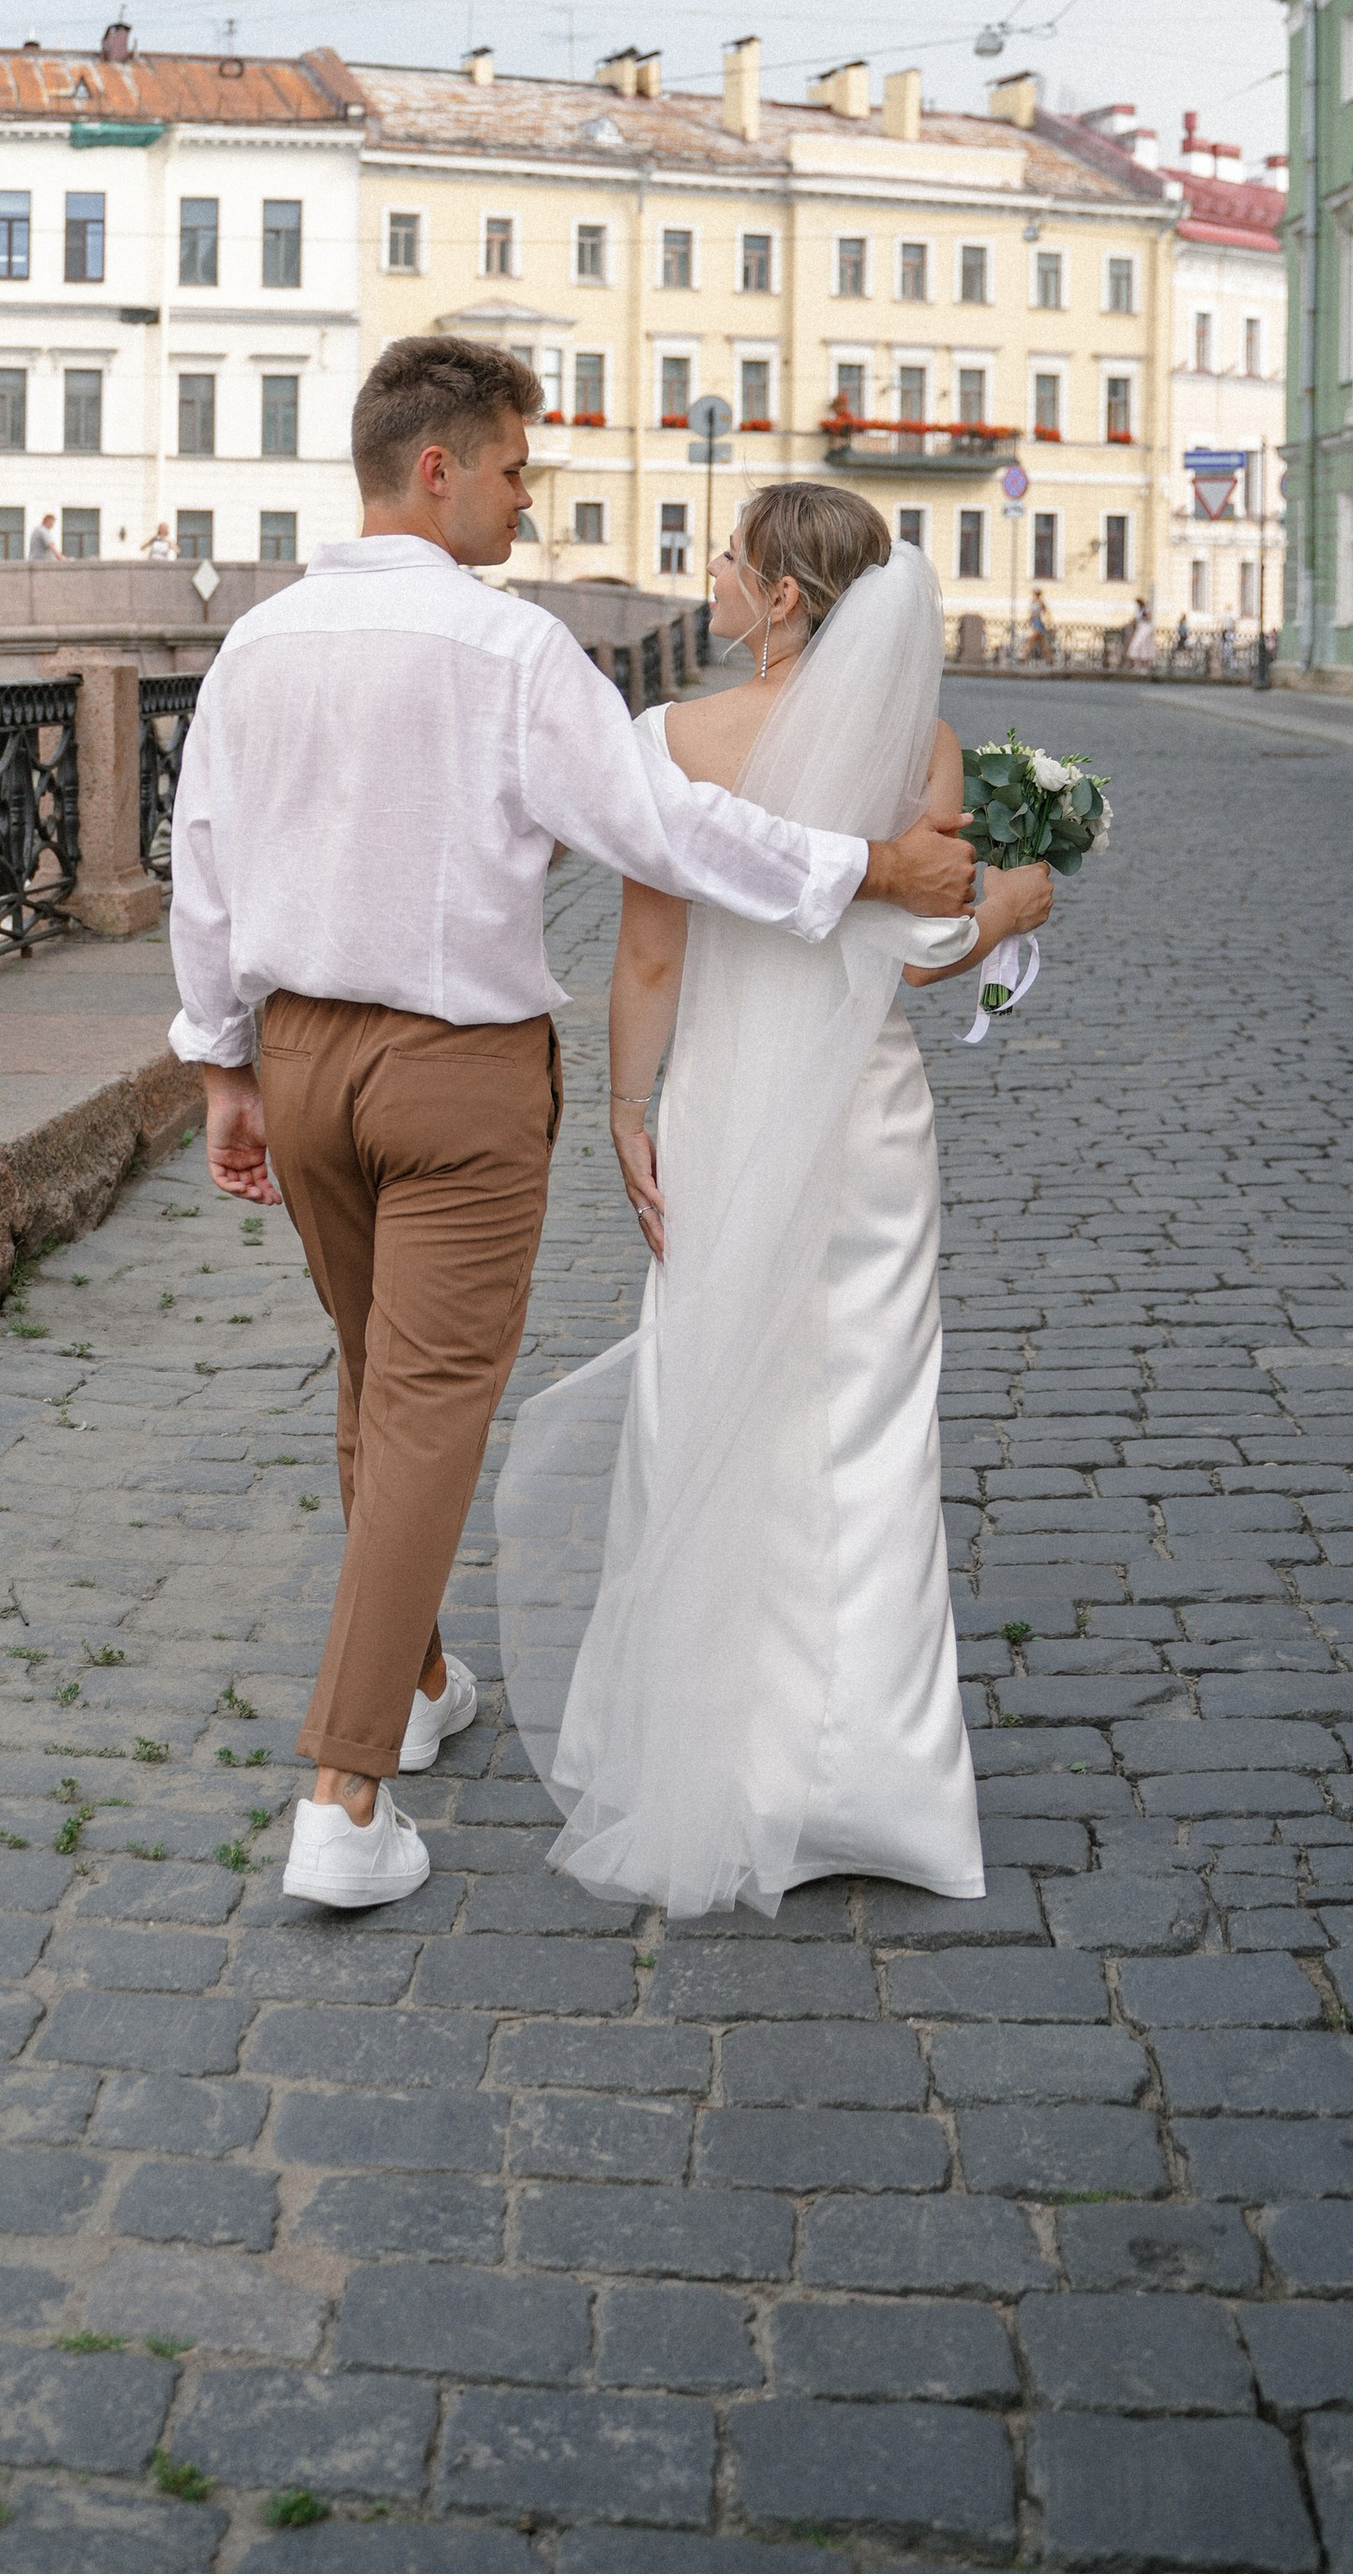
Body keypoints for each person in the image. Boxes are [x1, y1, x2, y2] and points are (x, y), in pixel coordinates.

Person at [168, 337, 980, 1913]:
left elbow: (204, 851)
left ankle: (410, 1692)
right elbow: (655, 825)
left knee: (371, 1379)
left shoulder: (258, 648)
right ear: (437, 471)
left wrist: (222, 1065)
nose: (529, 502)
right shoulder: (511, 651)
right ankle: (341, 1798)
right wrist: (869, 872)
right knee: (425, 1406)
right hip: (459, 1070)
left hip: (308, 1061)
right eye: (517, 470)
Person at [496, 486, 1051, 1920]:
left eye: (731, 560)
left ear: (785, 599)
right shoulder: (916, 748)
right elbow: (926, 951)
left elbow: (650, 960)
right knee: (869, 1427)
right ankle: (877, 1783)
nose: (714, 576)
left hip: (725, 1102)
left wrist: (626, 1109)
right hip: (864, 1114)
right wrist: (1014, 904)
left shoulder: (670, 740)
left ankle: (702, 1753)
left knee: (708, 1397)